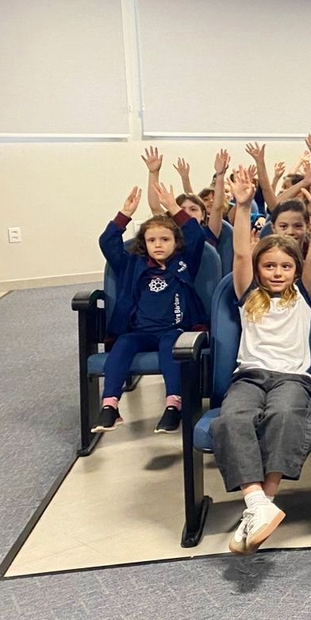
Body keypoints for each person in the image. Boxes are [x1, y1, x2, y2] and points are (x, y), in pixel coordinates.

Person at [213, 169, 311, 555]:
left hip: (292, 379)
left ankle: (261, 504)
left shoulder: (304, 294)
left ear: (295, 270)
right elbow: (241, 252)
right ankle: (257, 503)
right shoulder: (248, 294)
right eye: (269, 266)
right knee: (232, 419)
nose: (277, 272)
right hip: (249, 377)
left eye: (285, 266)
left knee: (285, 416)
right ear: (259, 270)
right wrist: (243, 206)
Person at [94, 182, 207, 435]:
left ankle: (173, 405)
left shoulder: (184, 263)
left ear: (176, 242)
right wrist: (124, 214)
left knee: (170, 346)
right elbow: (107, 242)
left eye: (165, 239)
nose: (158, 245)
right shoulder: (131, 264)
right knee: (123, 344)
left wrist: (174, 207)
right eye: (152, 240)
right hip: (140, 332)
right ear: (143, 243)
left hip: (174, 330)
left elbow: (197, 235)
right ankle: (110, 405)